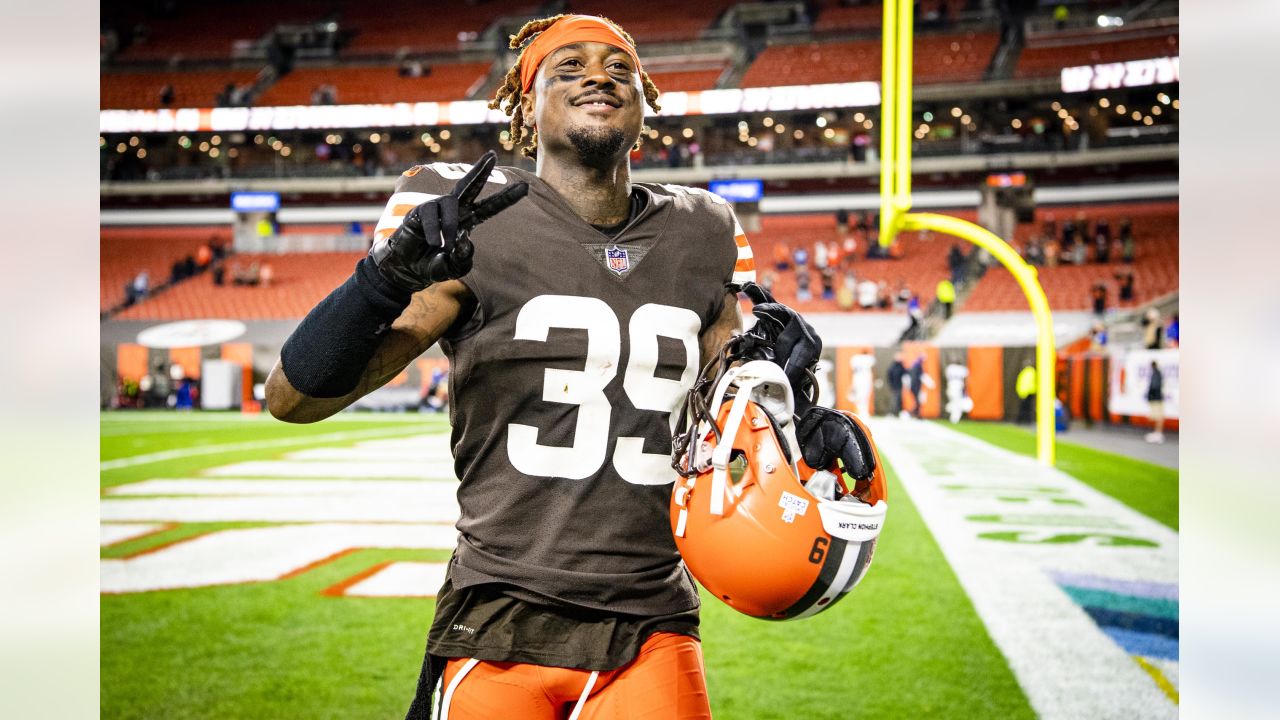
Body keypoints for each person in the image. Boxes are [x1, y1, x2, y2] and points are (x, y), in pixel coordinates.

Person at [265, 14, 872, 720]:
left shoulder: (705, 230)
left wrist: (798, 416)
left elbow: (734, 396)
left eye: (619, 68)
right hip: (499, 613)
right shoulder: (471, 217)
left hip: (651, 619)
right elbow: (293, 398)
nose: (597, 76)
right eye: (569, 66)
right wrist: (380, 281)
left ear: (645, 105)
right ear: (525, 108)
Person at [1144, 360, 1166, 443]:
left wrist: (1151, 396)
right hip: (1158, 398)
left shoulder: (1156, 374)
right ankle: (1157, 433)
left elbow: (1154, 386)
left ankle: (1158, 434)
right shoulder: (1158, 373)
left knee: (1158, 416)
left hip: (1156, 398)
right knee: (1158, 416)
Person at [886, 353, 906, 417]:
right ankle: (891, 413)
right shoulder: (893, 366)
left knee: (898, 399)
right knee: (894, 400)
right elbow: (889, 375)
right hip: (894, 386)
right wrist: (891, 384)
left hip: (899, 385)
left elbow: (904, 372)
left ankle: (898, 413)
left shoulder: (901, 366)